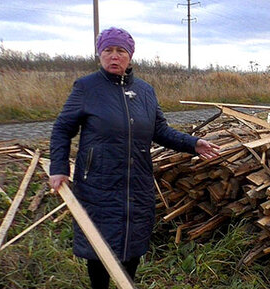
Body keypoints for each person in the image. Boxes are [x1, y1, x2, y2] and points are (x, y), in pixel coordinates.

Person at [49, 27, 219, 289]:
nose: (114, 57)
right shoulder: (86, 87)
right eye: (108, 50)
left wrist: (193, 143)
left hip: (137, 183)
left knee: (132, 244)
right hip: (98, 183)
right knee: (98, 246)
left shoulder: (145, 91)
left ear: (130, 56)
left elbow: (159, 130)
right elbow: (62, 129)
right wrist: (58, 167)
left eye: (120, 51)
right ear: (99, 54)